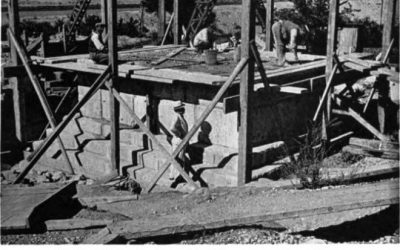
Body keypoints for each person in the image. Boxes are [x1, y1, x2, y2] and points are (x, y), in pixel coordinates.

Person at [169, 101, 189, 181]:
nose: (184, 109)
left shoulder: (180, 116)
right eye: (182, 107)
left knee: (178, 157)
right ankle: (177, 176)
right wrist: (179, 134)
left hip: (179, 140)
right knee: (179, 158)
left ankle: (173, 175)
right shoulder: (176, 117)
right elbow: (172, 128)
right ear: (179, 109)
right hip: (179, 141)